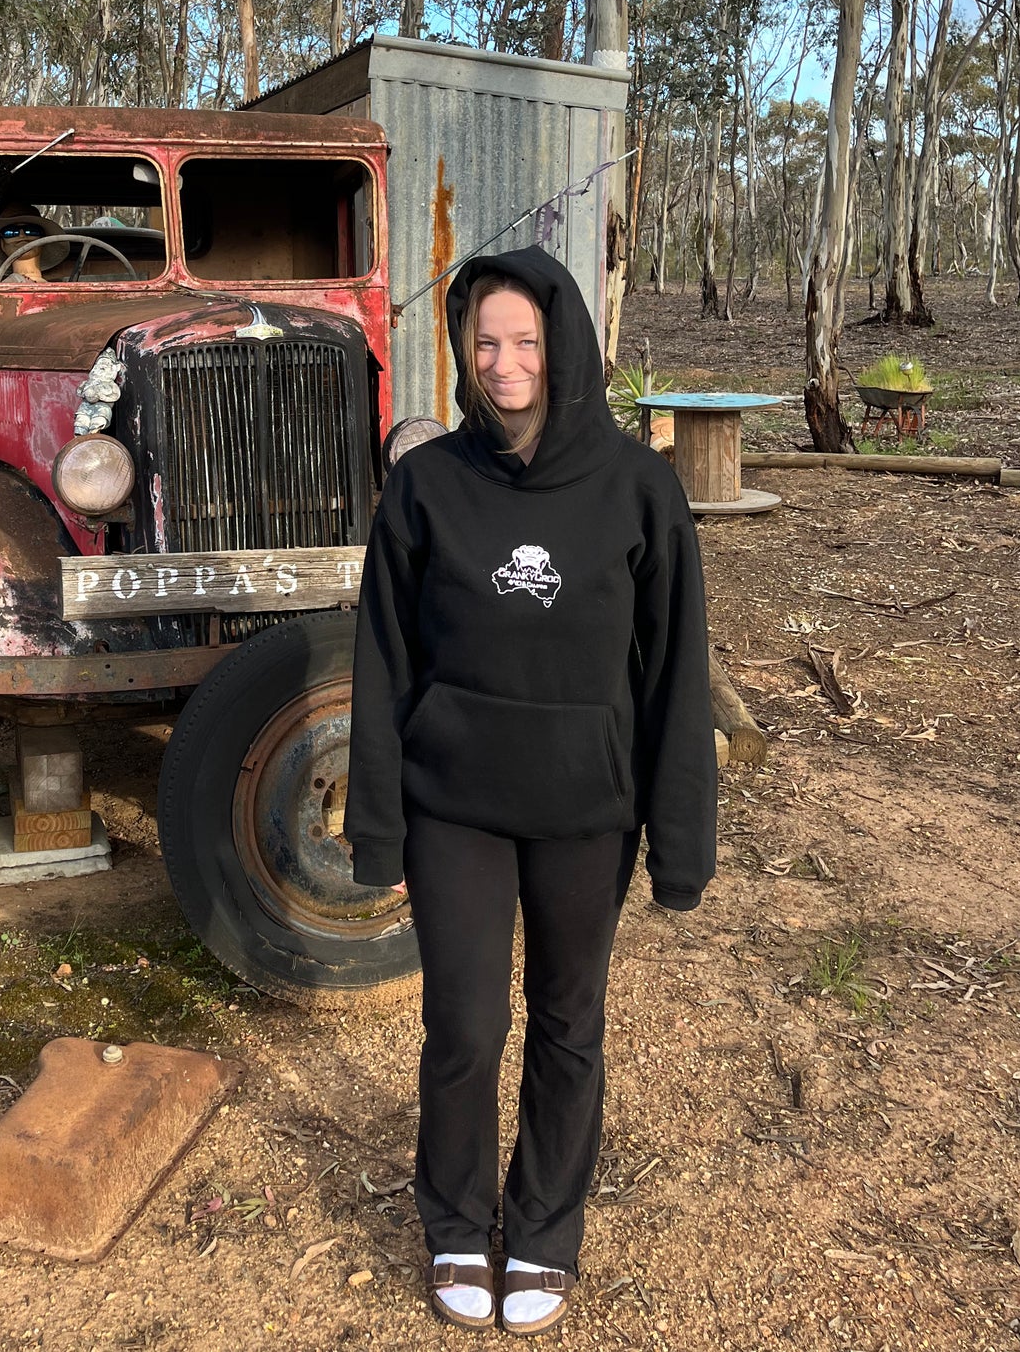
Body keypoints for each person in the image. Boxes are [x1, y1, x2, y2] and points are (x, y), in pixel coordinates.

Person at [344, 247, 715, 1337]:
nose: (504, 363)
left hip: (585, 812)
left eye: (525, 342)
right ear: (462, 351)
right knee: (461, 1022)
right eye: (483, 342)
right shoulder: (424, 486)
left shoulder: (638, 487)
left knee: (567, 1023)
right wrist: (376, 823)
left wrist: (678, 840)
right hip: (452, 803)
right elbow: (382, 661)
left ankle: (543, 1229)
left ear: (564, 349)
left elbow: (669, 672)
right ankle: (456, 1216)